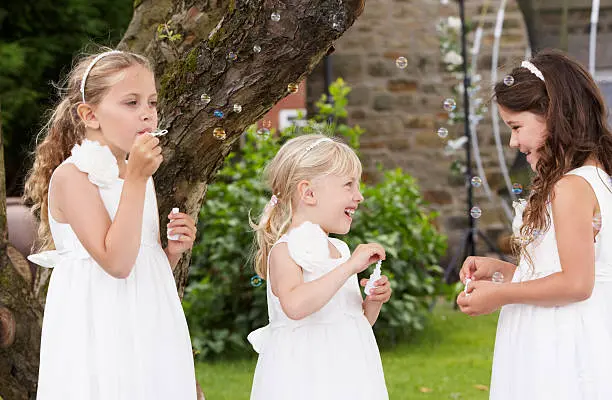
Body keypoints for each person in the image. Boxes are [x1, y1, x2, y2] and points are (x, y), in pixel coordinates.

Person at [24, 49, 198, 399]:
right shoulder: (73, 177)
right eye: (131, 103)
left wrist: (170, 253)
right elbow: (115, 263)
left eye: (152, 103)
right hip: (98, 327)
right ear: (90, 115)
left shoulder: (136, 176)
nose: (147, 114)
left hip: (148, 320)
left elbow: (137, 265)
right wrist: (135, 179)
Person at [457, 49, 612, 399]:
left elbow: (576, 284)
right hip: (568, 326)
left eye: (516, 127)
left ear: (554, 116)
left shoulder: (571, 187)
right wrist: (501, 272)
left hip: (561, 340)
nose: (513, 142)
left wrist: (499, 296)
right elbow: (565, 272)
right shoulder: (595, 177)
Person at [247, 134, 391, 400]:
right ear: (309, 193)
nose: (359, 196)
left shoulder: (341, 250)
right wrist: (348, 269)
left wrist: (373, 301)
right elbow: (295, 305)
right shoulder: (285, 250)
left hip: (348, 371)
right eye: (348, 185)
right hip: (305, 376)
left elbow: (357, 322)